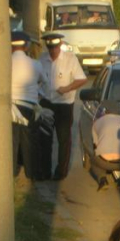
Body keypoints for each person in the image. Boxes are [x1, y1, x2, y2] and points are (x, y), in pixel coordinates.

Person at [38, 32, 87, 181]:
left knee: (64, 139)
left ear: (60, 45)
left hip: (64, 104)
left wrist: (67, 88)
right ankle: (45, 171)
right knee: (45, 139)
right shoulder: (42, 59)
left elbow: (82, 79)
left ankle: (61, 172)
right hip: (46, 103)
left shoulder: (70, 59)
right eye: (50, 48)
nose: (53, 51)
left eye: (55, 47)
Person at [10, 30, 45, 180]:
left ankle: (10, 172)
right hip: (29, 106)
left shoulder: (4, 62)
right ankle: (32, 173)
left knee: (11, 141)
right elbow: (45, 83)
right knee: (29, 142)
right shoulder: (35, 64)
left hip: (9, 107)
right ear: (26, 47)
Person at [91, 100, 120, 192]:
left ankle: (102, 179)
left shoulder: (98, 122)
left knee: (93, 159)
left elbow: (95, 145)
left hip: (105, 162)